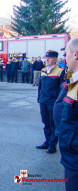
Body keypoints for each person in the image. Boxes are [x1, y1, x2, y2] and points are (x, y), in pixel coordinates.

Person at [36, 50, 65, 154]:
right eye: (46, 57)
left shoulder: (60, 72)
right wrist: (39, 99)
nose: (47, 59)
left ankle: (53, 145)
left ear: (55, 59)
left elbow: (63, 89)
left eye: (50, 58)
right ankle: (47, 141)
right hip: (43, 101)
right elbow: (40, 86)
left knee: (53, 124)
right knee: (46, 122)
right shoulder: (43, 70)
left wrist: (60, 102)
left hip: (53, 102)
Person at [59, 37, 78, 190]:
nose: (65, 58)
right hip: (72, 156)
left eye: (66, 54)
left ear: (75, 55)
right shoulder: (74, 79)